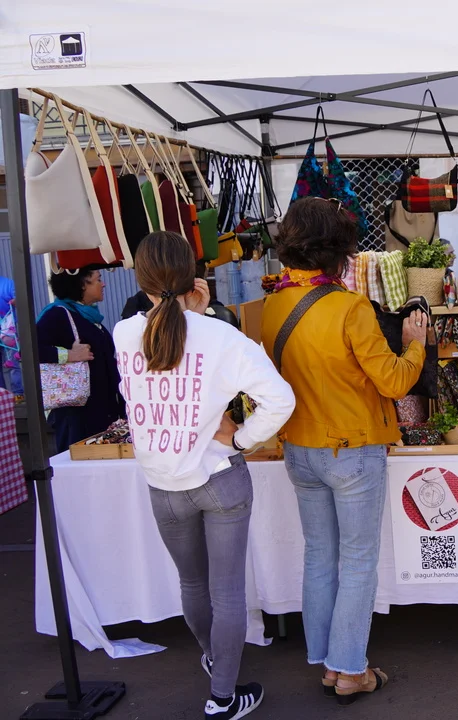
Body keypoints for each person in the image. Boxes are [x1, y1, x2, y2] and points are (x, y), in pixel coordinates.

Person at [113, 231, 295, 720]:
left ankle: (217, 660)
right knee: (227, 591)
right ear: (195, 276)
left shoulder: (124, 333)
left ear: (140, 280)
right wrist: (240, 439)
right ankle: (222, 695)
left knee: (193, 585)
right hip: (218, 477)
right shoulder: (220, 336)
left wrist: (194, 315)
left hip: (163, 483)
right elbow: (281, 400)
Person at [261, 197, 428, 703]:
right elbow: (394, 382)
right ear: (339, 250)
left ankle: (329, 663)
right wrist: (415, 342)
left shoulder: (272, 305)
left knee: (320, 556)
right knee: (357, 561)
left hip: (299, 447)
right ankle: (350, 671)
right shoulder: (350, 307)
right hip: (352, 451)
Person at [36, 267, 124, 453]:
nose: (103, 284)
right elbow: (29, 350)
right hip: (76, 416)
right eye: (98, 279)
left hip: (101, 411)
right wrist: (68, 355)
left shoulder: (88, 316)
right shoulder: (57, 314)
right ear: (82, 284)